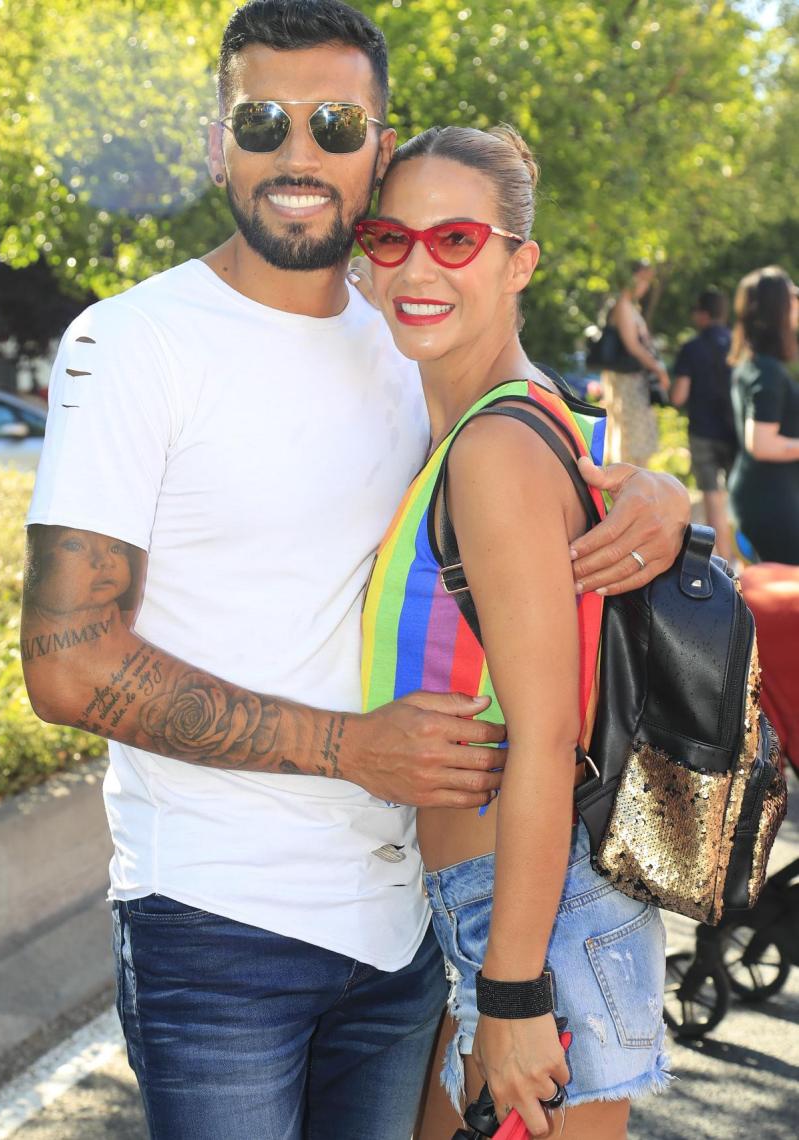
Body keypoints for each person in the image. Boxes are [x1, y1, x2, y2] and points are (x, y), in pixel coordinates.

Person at [20, 3, 689, 1137]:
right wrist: (346, 748)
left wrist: (656, 498)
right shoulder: (130, 344)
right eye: (262, 120)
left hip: (402, 931)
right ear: (214, 139)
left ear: (380, 145)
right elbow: (67, 666)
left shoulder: (405, 325)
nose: (298, 153)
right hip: (217, 923)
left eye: (335, 124)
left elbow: (527, 450)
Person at [359, 125, 669, 1140]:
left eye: (455, 240)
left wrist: (513, 993)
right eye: (388, 237)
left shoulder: (495, 444)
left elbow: (544, 732)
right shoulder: (509, 418)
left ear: (519, 260)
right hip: (501, 914)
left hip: (531, 925)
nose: (415, 266)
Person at [727, 265, 799, 565]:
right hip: (771, 503)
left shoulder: (756, 364)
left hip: (764, 496)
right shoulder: (767, 371)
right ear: (778, 308)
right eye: (792, 294)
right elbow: (763, 443)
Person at [671, 287, 737, 560]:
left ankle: (726, 563)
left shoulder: (692, 348)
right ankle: (750, 561)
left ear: (703, 315)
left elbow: (678, 396)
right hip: (735, 431)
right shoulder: (738, 345)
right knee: (739, 499)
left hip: (703, 431)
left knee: (712, 497)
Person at [601, 260, 670, 466]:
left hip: (635, 380)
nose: (645, 286)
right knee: (629, 438)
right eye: (643, 280)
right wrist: (659, 370)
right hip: (626, 381)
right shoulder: (622, 305)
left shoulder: (630, 306)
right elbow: (633, 346)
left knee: (639, 438)